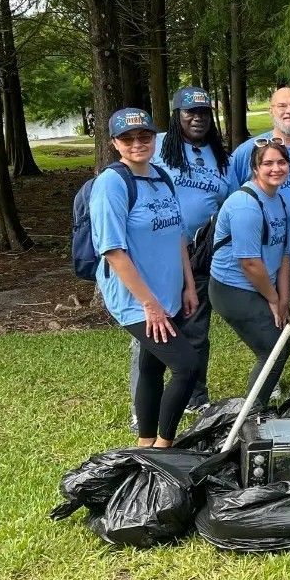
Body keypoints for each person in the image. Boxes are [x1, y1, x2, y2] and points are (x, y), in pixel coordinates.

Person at [90, 108, 199, 447]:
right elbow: (112, 251)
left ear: (155, 138)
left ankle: (146, 443)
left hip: (167, 293)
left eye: (144, 136)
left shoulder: (161, 176)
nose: (137, 143)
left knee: (152, 369)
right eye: (127, 138)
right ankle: (165, 447)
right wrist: (149, 305)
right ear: (114, 143)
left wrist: (189, 284)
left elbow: (177, 234)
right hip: (136, 300)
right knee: (187, 366)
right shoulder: (111, 183)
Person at [127, 85, 230, 429]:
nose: (197, 118)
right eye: (190, 112)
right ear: (177, 116)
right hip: (155, 255)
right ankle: (142, 406)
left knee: (196, 327)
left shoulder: (219, 155)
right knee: (150, 332)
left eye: (203, 112)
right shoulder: (156, 148)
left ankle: (196, 399)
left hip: (198, 254)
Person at [229, 87, 290, 377]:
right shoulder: (249, 151)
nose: (289, 110)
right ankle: (271, 373)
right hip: (269, 252)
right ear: (271, 110)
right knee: (275, 313)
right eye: (282, 105)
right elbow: (233, 194)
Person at [208, 140, 290, 406]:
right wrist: (272, 300)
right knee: (273, 347)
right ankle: (252, 413)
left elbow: (283, 254)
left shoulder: (278, 199)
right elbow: (250, 263)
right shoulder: (246, 204)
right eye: (267, 163)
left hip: (262, 285)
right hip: (233, 288)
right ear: (255, 168)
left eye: (281, 162)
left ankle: (257, 407)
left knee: (278, 343)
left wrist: (283, 298)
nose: (275, 168)